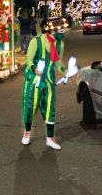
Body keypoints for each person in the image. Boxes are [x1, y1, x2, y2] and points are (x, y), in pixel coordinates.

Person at [21, 20, 68, 150]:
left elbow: (58, 63)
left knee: (49, 108)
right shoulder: (36, 41)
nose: (61, 33)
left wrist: (66, 71)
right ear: (50, 30)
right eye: (59, 31)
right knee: (30, 106)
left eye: (62, 30)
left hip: (49, 80)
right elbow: (29, 59)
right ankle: (27, 133)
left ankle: (50, 138)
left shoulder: (60, 44)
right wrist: (33, 68)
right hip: (33, 79)